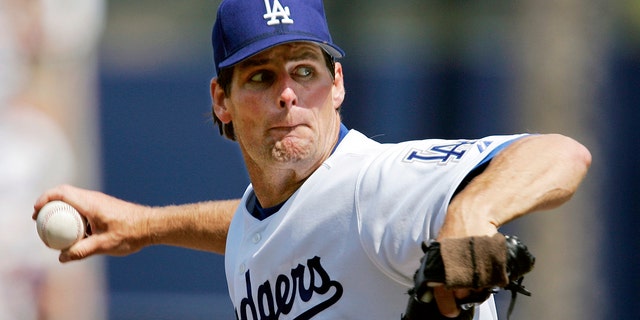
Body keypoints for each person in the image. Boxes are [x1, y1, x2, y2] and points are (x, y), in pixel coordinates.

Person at [33, 0, 592, 318]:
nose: (288, 93)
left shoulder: (380, 186)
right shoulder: (273, 216)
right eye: (261, 76)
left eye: (305, 70)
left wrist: (471, 213)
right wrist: (146, 225)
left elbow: (559, 154)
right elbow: (272, 226)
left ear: (337, 83)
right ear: (221, 101)